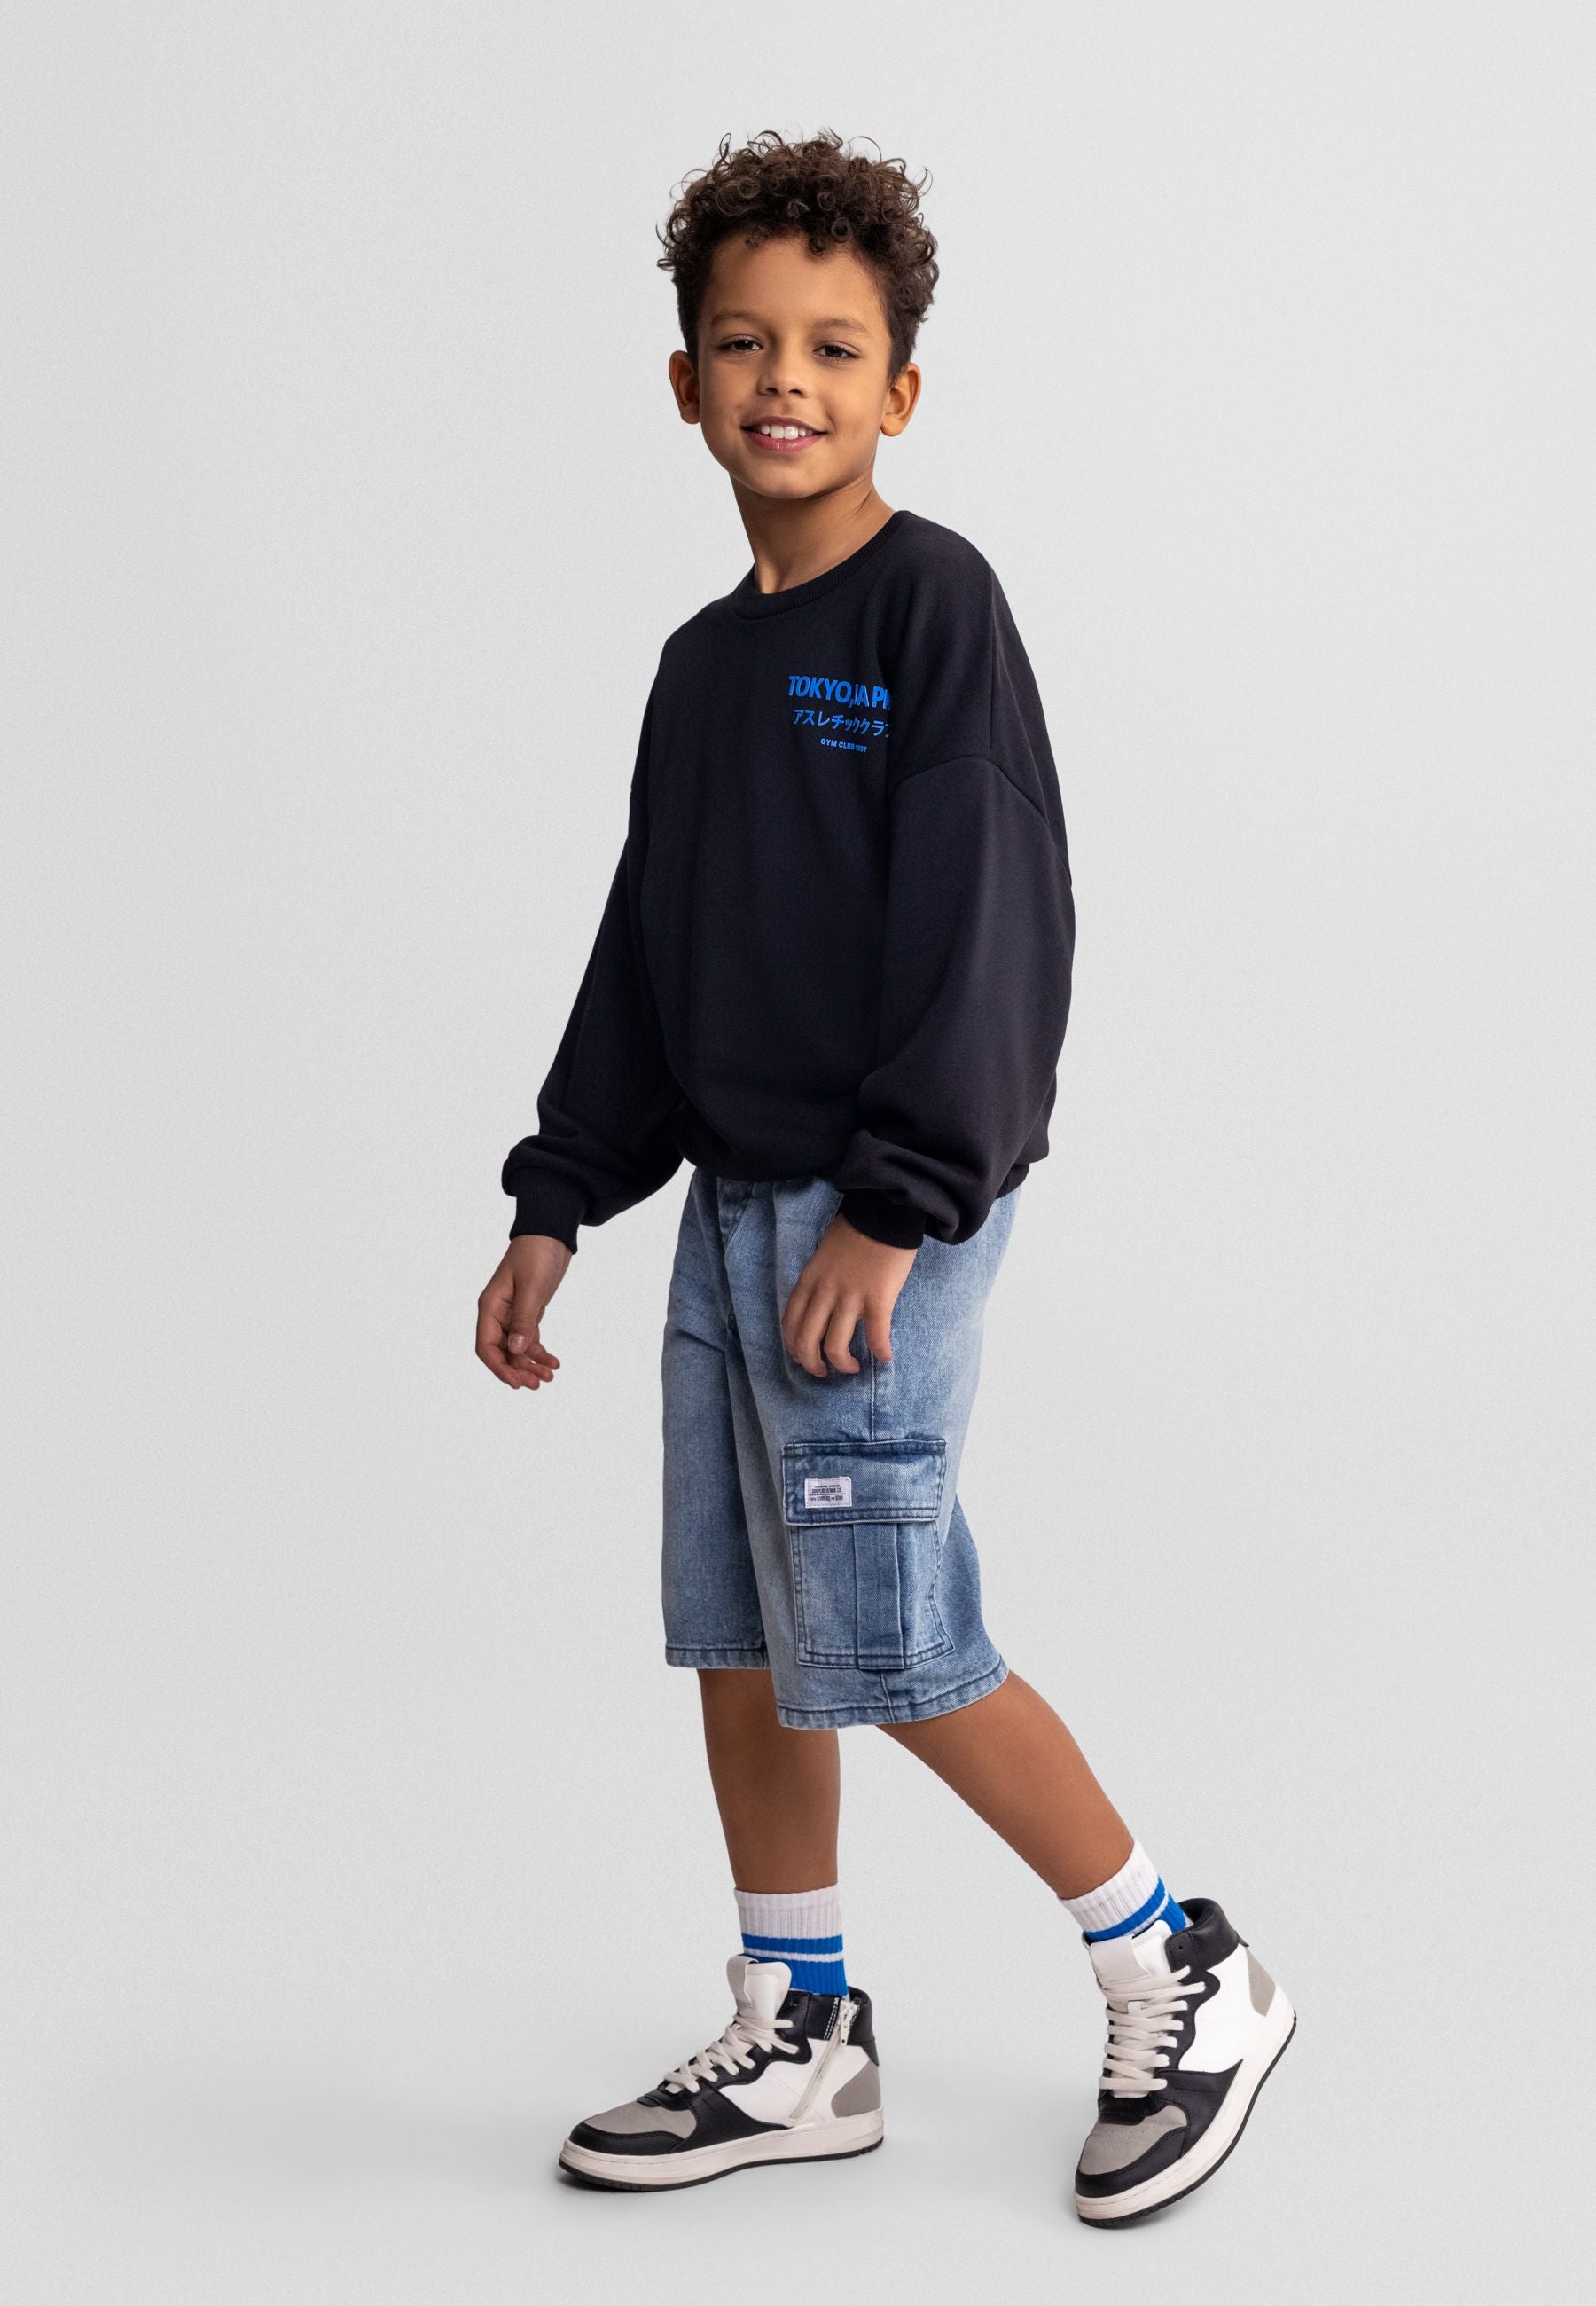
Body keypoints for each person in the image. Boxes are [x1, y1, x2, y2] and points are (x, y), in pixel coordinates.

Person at [475, 129, 1293, 2223]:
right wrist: (559, 1193)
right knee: (746, 1634)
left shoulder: (932, 607)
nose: (786, 379)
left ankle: (1176, 1957)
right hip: (726, 1211)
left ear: (900, 390)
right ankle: (802, 2024)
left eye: (836, 347)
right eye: (743, 342)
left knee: (895, 1626)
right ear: (683, 384)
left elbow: (993, 925)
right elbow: (649, 945)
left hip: (874, 1219)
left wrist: (896, 1204)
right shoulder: (697, 668)